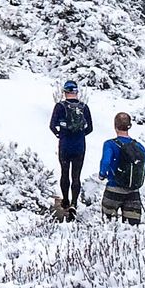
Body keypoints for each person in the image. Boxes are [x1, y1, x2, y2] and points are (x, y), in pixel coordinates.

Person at [99, 112, 145, 224]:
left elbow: (105, 162)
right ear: (129, 126)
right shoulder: (138, 146)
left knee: (107, 226)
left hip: (113, 189)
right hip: (133, 192)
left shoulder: (110, 144)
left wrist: (102, 174)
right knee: (131, 229)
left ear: (115, 126)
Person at [48, 79, 93, 215]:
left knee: (64, 172)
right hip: (79, 145)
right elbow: (90, 128)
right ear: (76, 92)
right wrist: (80, 134)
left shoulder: (60, 107)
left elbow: (52, 125)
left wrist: (59, 134)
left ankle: (66, 200)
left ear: (65, 92)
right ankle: (74, 202)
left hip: (65, 144)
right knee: (76, 175)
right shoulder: (84, 107)